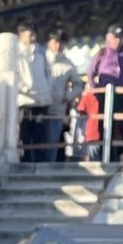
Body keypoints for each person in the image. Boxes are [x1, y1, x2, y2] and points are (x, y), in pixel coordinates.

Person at [87, 25, 123, 156]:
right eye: (115, 37)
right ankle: (106, 156)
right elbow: (90, 73)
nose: (117, 41)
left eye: (120, 38)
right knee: (105, 126)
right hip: (105, 96)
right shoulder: (102, 53)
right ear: (108, 37)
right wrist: (96, 89)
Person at [16, 22, 52, 161]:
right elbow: (14, 76)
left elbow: (48, 73)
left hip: (42, 100)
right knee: (25, 135)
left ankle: (41, 164)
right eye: (29, 34)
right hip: (25, 101)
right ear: (21, 35)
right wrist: (25, 88)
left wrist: (46, 87)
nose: (32, 37)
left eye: (34, 34)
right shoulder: (16, 54)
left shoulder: (41, 52)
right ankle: (25, 164)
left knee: (41, 136)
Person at [45, 30, 81, 161]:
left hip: (56, 110)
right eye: (55, 42)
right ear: (49, 42)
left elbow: (78, 85)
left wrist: (67, 96)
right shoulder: (40, 58)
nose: (58, 45)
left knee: (52, 144)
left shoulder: (68, 64)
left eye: (61, 43)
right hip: (38, 107)